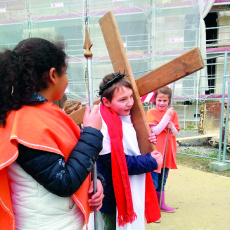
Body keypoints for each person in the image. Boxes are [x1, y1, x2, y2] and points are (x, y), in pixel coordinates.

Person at [0, 38, 104, 230]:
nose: (67, 80)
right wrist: (91, 132)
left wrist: (95, 181)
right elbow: (63, 181)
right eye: (65, 73)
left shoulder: (38, 113)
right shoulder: (26, 121)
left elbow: (68, 159)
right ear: (53, 75)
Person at [97, 72, 163, 230]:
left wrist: (146, 141)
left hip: (131, 189)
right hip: (111, 195)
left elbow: (131, 144)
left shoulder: (127, 117)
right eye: (123, 99)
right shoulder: (102, 125)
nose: (130, 103)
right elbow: (117, 163)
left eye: (131, 97)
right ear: (106, 101)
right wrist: (150, 161)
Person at [146, 86, 180, 213]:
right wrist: (167, 117)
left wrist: (171, 126)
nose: (162, 103)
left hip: (168, 152)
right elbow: (156, 130)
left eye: (165, 101)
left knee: (162, 180)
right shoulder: (151, 113)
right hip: (156, 152)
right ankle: (151, 208)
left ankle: (161, 204)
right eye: (159, 100)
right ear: (154, 100)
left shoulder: (173, 113)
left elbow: (175, 132)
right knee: (153, 180)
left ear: (169, 101)